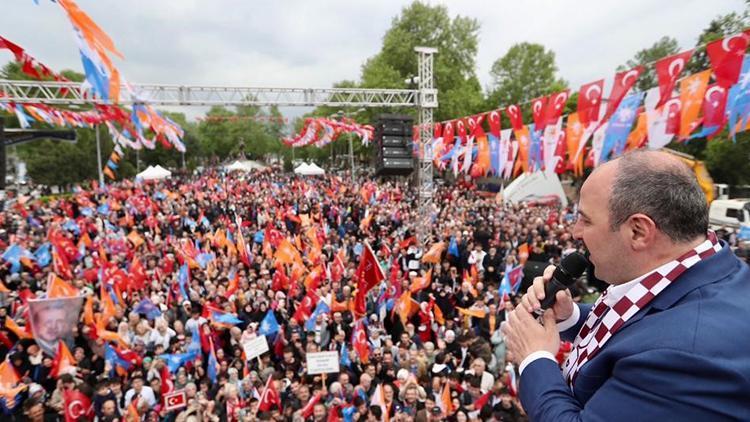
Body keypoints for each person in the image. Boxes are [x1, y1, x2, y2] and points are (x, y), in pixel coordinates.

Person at [502, 150, 750, 420]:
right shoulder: (712, 270)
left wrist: (534, 358)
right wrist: (571, 317)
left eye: (586, 219)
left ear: (638, 231)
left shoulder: (681, 356)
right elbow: (643, 319)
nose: (575, 232)